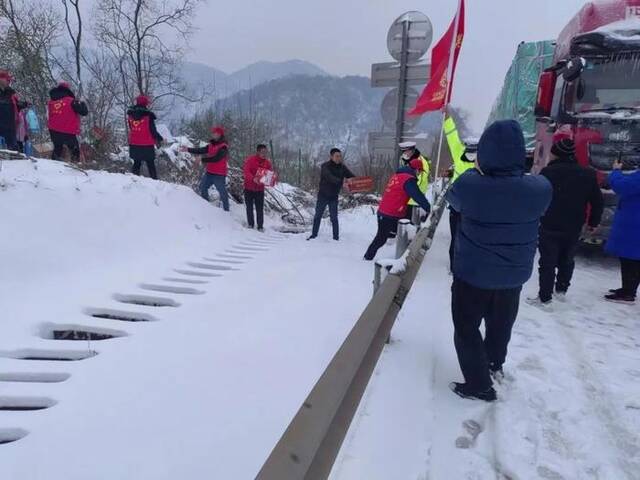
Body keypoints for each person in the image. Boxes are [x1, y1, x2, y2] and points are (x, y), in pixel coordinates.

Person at [446, 120, 552, 402]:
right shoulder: (539, 188)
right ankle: (494, 364)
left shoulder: (469, 185)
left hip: (473, 275)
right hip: (513, 277)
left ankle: (479, 385)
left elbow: (453, 201)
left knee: (467, 327)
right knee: (501, 324)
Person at [527, 136, 603, 308]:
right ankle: (561, 290)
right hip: (574, 224)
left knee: (547, 261)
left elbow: (537, 196)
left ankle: (545, 297)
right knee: (567, 258)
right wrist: (593, 222)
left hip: (550, 223)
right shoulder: (587, 174)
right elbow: (597, 201)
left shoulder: (548, 173)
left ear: (556, 154)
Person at [364, 159, 431, 260]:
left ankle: (403, 257)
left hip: (388, 211)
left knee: (405, 232)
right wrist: (428, 208)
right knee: (382, 238)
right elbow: (417, 195)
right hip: (389, 213)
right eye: (420, 171)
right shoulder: (408, 179)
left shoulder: (398, 175)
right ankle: (367, 257)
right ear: (416, 169)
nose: (420, 173)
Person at [604, 159, 640, 304]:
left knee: (631, 258)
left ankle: (628, 292)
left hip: (634, 224)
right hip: (634, 222)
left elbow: (622, 186)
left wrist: (616, 171)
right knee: (632, 258)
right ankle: (628, 288)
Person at [444, 114, 477, 270]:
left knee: (456, 238)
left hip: (457, 206)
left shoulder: (458, 155)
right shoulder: (482, 161)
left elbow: (452, 136)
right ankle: (463, 265)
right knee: (470, 238)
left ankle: (454, 266)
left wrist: (448, 118)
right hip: (473, 209)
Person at [307, 148, 355, 241]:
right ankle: (314, 235)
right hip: (323, 195)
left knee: (334, 217)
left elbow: (352, 176)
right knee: (318, 216)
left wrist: (351, 180)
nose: (338, 158)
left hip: (334, 196)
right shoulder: (325, 166)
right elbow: (330, 177)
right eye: (337, 156)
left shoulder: (342, 167)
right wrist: (343, 182)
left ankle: (336, 238)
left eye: (340, 156)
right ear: (331, 156)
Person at [188, 126, 230, 211]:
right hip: (209, 172)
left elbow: (216, 158)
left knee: (222, 192)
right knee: (203, 187)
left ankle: (226, 210)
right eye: (212, 133)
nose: (212, 134)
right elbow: (200, 150)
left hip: (219, 174)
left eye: (214, 133)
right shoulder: (211, 145)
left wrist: (202, 159)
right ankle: (206, 207)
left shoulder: (223, 147)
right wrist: (188, 149)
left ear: (219, 134)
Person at [47, 81, 88, 162]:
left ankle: (52, 166)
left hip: (53, 130)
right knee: (74, 150)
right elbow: (84, 112)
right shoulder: (71, 101)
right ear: (67, 90)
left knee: (57, 148)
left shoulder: (51, 102)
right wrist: (82, 103)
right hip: (68, 130)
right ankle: (75, 167)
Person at [127, 95, 163, 180]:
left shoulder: (130, 115)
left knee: (136, 162)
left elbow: (131, 128)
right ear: (146, 103)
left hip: (134, 142)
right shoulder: (148, 115)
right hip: (147, 143)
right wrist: (159, 138)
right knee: (150, 163)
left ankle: (134, 180)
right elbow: (152, 130)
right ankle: (155, 181)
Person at [243, 144, 273, 231]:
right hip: (248, 188)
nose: (264, 154)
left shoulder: (267, 163)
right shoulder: (250, 160)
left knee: (259, 209)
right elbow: (246, 171)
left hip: (260, 189)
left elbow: (269, 175)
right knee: (249, 207)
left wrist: (272, 178)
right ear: (258, 152)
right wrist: (253, 179)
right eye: (262, 152)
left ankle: (260, 226)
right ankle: (250, 224)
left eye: (265, 152)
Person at [398, 141, 431, 223]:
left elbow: (420, 179)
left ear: (412, 151)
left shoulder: (421, 162)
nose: (404, 154)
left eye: (405, 151)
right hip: (406, 198)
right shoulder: (405, 159)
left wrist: (408, 189)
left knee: (410, 223)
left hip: (415, 199)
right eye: (403, 151)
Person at [0, 70, 28, 151]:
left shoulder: (10, 92)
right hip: (2, 126)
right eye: (7, 80)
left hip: (10, 127)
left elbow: (14, 105)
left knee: (14, 150)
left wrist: (24, 104)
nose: (9, 82)